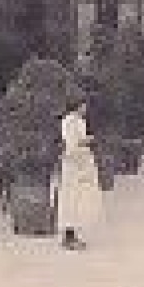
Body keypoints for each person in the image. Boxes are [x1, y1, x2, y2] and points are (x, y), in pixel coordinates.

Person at [55, 97, 102, 250]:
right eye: (83, 105)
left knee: (78, 198)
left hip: (81, 161)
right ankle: (68, 235)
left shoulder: (79, 121)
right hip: (73, 162)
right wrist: (87, 140)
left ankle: (73, 233)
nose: (85, 108)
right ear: (77, 106)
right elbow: (72, 143)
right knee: (70, 198)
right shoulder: (69, 121)